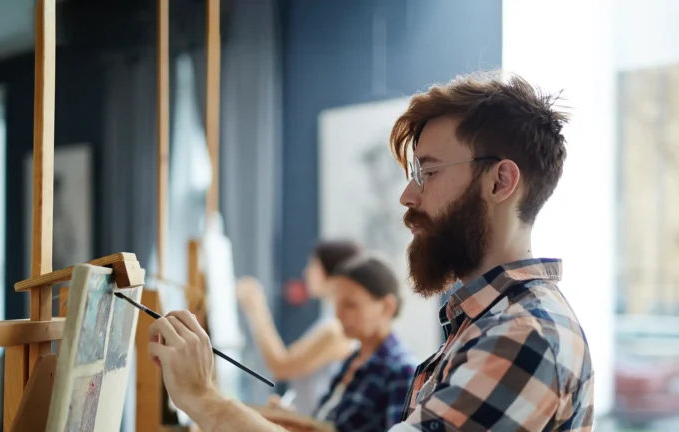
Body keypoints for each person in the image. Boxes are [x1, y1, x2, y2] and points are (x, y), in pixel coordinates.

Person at [146, 70, 594, 431]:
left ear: (500, 182)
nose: (407, 196)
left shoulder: (525, 335)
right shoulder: (489, 323)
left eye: (429, 173)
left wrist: (204, 399)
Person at [236, 240, 359, 415]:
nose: (305, 272)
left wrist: (256, 308)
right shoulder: (328, 321)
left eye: (312, 265)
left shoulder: (335, 329)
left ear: (332, 274)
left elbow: (281, 366)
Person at [311, 253, 416, 431]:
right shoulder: (353, 359)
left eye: (350, 305)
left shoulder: (401, 371)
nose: (338, 314)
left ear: (387, 306)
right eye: (336, 304)